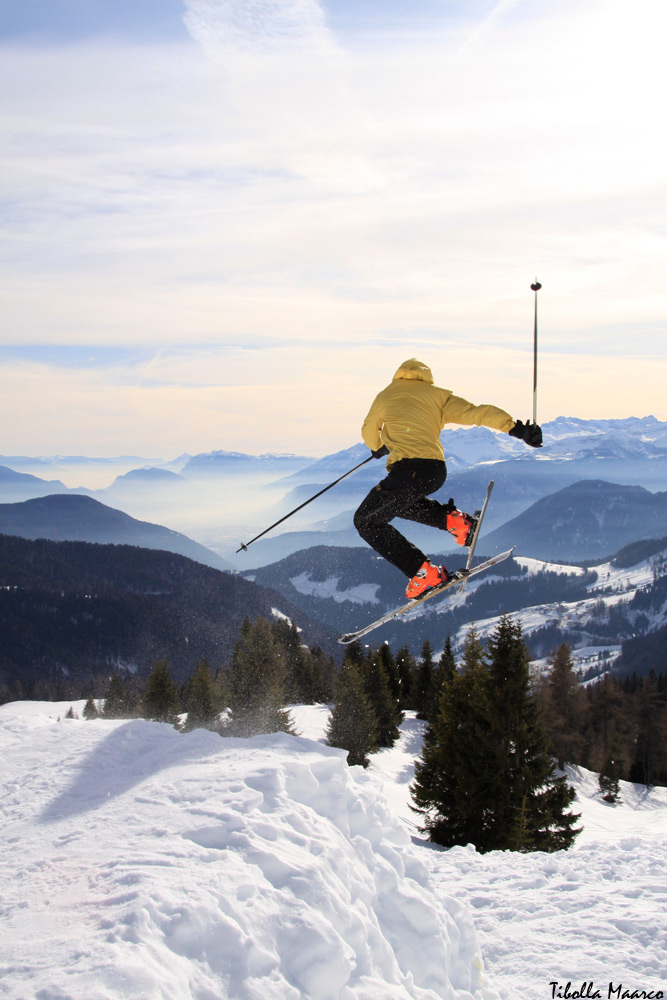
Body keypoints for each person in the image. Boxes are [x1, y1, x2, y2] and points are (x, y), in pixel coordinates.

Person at [354, 358, 542, 599]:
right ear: (426, 377)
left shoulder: (386, 395)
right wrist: (517, 429)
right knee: (396, 503)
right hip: (435, 471)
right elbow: (477, 412)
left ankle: (423, 573)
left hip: (408, 469)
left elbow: (369, 432)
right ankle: (457, 524)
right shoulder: (438, 396)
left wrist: (379, 445)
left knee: (366, 521)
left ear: (399, 376)